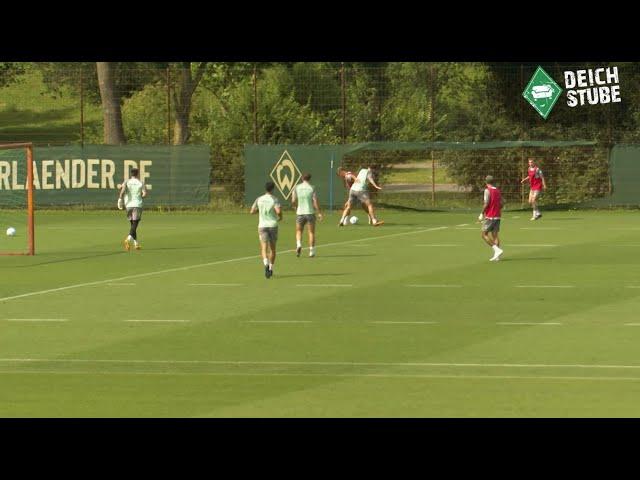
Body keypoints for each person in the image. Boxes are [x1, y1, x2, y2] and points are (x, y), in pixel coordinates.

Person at [250, 181, 282, 279]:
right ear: (273, 189)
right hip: (272, 225)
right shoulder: (274, 199)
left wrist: (260, 210)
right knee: (272, 249)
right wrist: (280, 217)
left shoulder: (259, 199)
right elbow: (278, 211)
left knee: (264, 248)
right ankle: (271, 268)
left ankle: (265, 264)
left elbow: (252, 211)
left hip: (262, 226)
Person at [291, 173, 323, 258]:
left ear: (302, 178)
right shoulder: (312, 188)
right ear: (309, 179)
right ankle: (311, 251)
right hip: (310, 213)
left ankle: (298, 244)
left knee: (298, 231)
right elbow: (315, 201)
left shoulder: (296, 187)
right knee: (311, 232)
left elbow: (293, 200)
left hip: (300, 213)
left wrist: (295, 207)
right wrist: (319, 212)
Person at [118, 167, 147, 251]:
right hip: (137, 205)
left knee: (132, 225)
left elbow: (122, 190)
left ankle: (136, 244)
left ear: (131, 174)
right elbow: (145, 194)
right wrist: (141, 196)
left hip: (128, 205)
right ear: (137, 174)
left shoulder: (126, 182)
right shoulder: (141, 182)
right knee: (135, 224)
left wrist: (120, 198)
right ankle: (128, 239)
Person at [479, 175, 504, 262]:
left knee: (484, 234)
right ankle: (497, 256)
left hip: (490, 216)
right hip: (498, 216)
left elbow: (486, 203)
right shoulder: (497, 190)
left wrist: (481, 213)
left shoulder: (487, 190)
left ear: (486, 182)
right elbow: (502, 204)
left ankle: (497, 250)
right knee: (495, 235)